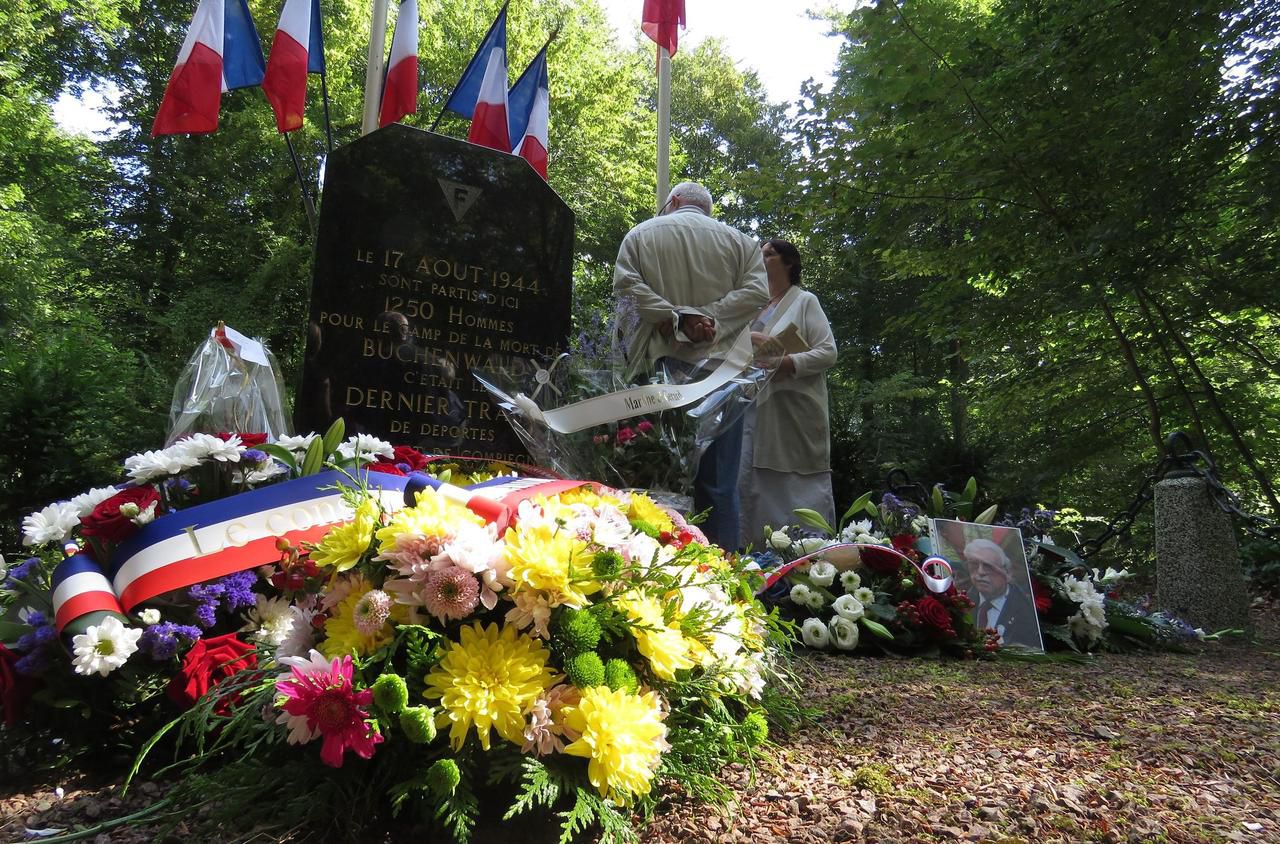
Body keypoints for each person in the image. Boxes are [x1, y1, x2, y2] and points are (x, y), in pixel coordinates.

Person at [612, 181, 769, 548]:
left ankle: (645, 568)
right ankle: (723, 577)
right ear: (705, 209)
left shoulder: (640, 235)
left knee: (650, 477)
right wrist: (706, 320)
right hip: (722, 372)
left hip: (654, 368)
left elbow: (626, 285)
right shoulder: (741, 243)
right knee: (718, 483)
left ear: (674, 201)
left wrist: (675, 318)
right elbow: (757, 293)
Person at [737, 239, 839, 549]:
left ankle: (810, 558)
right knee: (753, 481)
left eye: (769, 254)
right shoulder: (752, 306)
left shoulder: (805, 301)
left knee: (794, 483)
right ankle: (756, 554)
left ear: (789, 263)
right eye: (760, 253)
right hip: (752, 408)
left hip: (794, 410)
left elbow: (828, 352)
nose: (762, 257)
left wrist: (787, 362)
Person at [963, 538, 1042, 648]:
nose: (980, 572)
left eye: (988, 566)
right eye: (974, 565)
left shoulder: (1026, 607)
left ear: (1008, 573)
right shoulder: (962, 603)